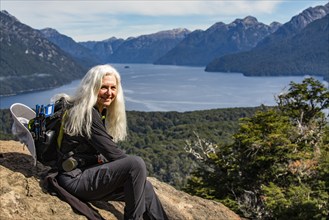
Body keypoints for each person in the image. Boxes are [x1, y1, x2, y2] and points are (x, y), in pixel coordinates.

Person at [53, 64, 168, 220]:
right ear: (92, 87)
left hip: (85, 174)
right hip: (75, 180)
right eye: (104, 87)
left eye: (113, 88)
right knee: (135, 164)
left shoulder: (95, 110)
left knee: (144, 187)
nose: (109, 93)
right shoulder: (88, 115)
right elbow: (115, 156)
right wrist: (135, 172)